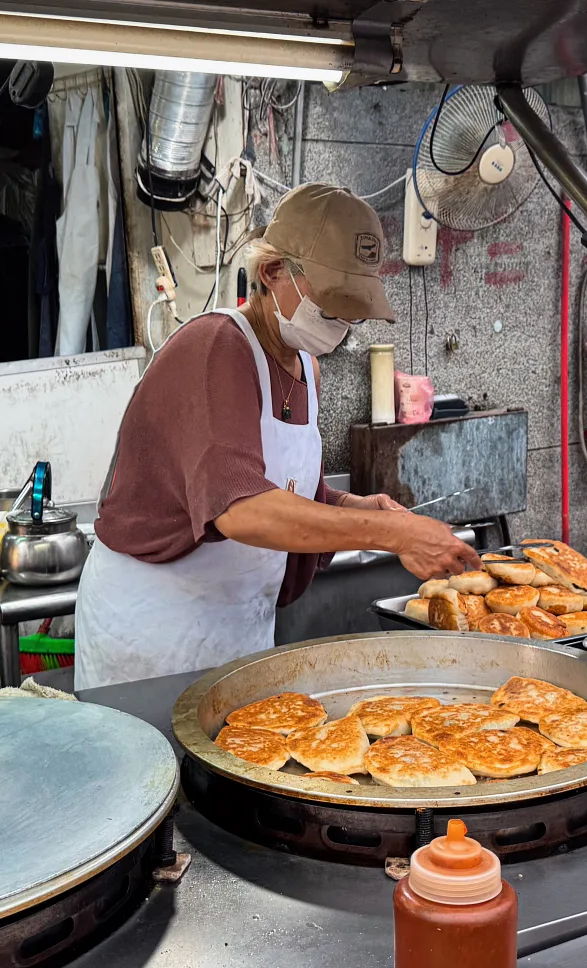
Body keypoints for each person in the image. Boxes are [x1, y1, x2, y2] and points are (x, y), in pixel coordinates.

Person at [74, 183, 480, 688]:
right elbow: (240, 508)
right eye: (331, 308)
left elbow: (281, 487)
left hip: (237, 631)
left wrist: (357, 508)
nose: (341, 327)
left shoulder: (303, 364)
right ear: (271, 273)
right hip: (155, 634)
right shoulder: (215, 349)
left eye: (352, 313)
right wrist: (394, 535)